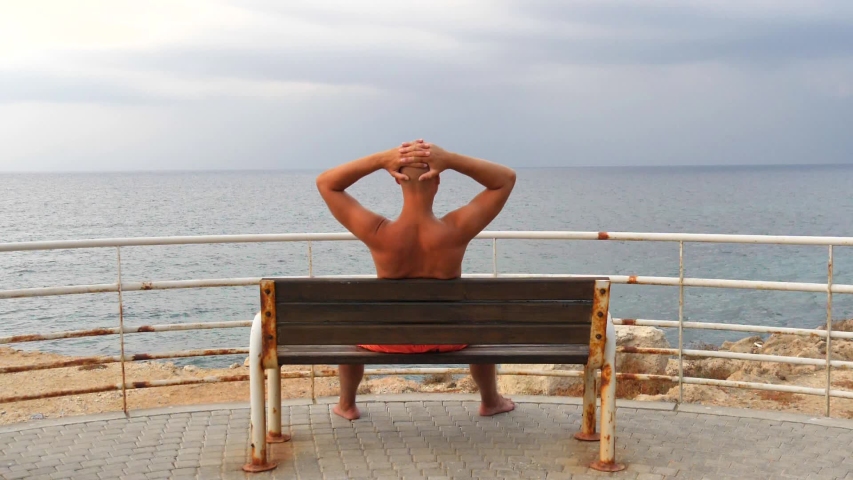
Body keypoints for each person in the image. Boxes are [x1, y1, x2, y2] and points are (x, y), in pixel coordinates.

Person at [316, 139, 517, 420]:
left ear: (398, 183)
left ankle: (347, 405)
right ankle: (490, 401)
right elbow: (505, 179)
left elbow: (326, 183)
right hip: (450, 338)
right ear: (437, 182)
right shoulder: (455, 230)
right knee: (477, 329)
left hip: (389, 338)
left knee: (353, 332)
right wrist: (451, 158)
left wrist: (381, 159)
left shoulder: (379, 232)